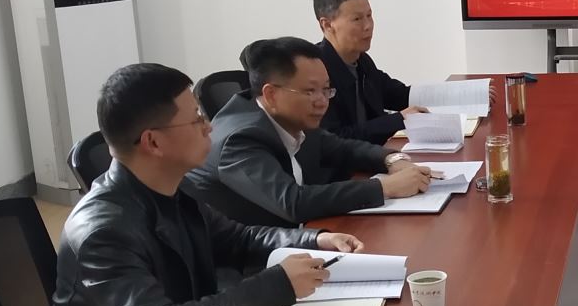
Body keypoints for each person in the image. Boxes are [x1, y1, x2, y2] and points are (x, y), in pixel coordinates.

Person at [48, 64, 360, 306]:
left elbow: (238, 238)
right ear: (153, 142)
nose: (208, 127)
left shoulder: (171, 190)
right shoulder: (102, 232)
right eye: (196, 118)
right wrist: (278, 284)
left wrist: (315, 238)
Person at [185, 37, 435, 227]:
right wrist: (385, 187)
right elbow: (292, 202)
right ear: (271, 94)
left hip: (306, 235)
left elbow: (342, 147)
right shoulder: (239, 139)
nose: (322, 101)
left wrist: (393, 159)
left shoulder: (293, 118)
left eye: (326, 89)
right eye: (310, 91)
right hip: (252, 260)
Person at [313, 0, 429, 145]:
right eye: (357, 19)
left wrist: (459, 93)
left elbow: (400, 95)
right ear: (327, 25)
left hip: (372, 155)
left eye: (369, 15)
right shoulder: (315, 72)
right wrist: (399, 119)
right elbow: (335, 139)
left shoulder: (361, 60)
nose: (368, 26)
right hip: (347, 160)